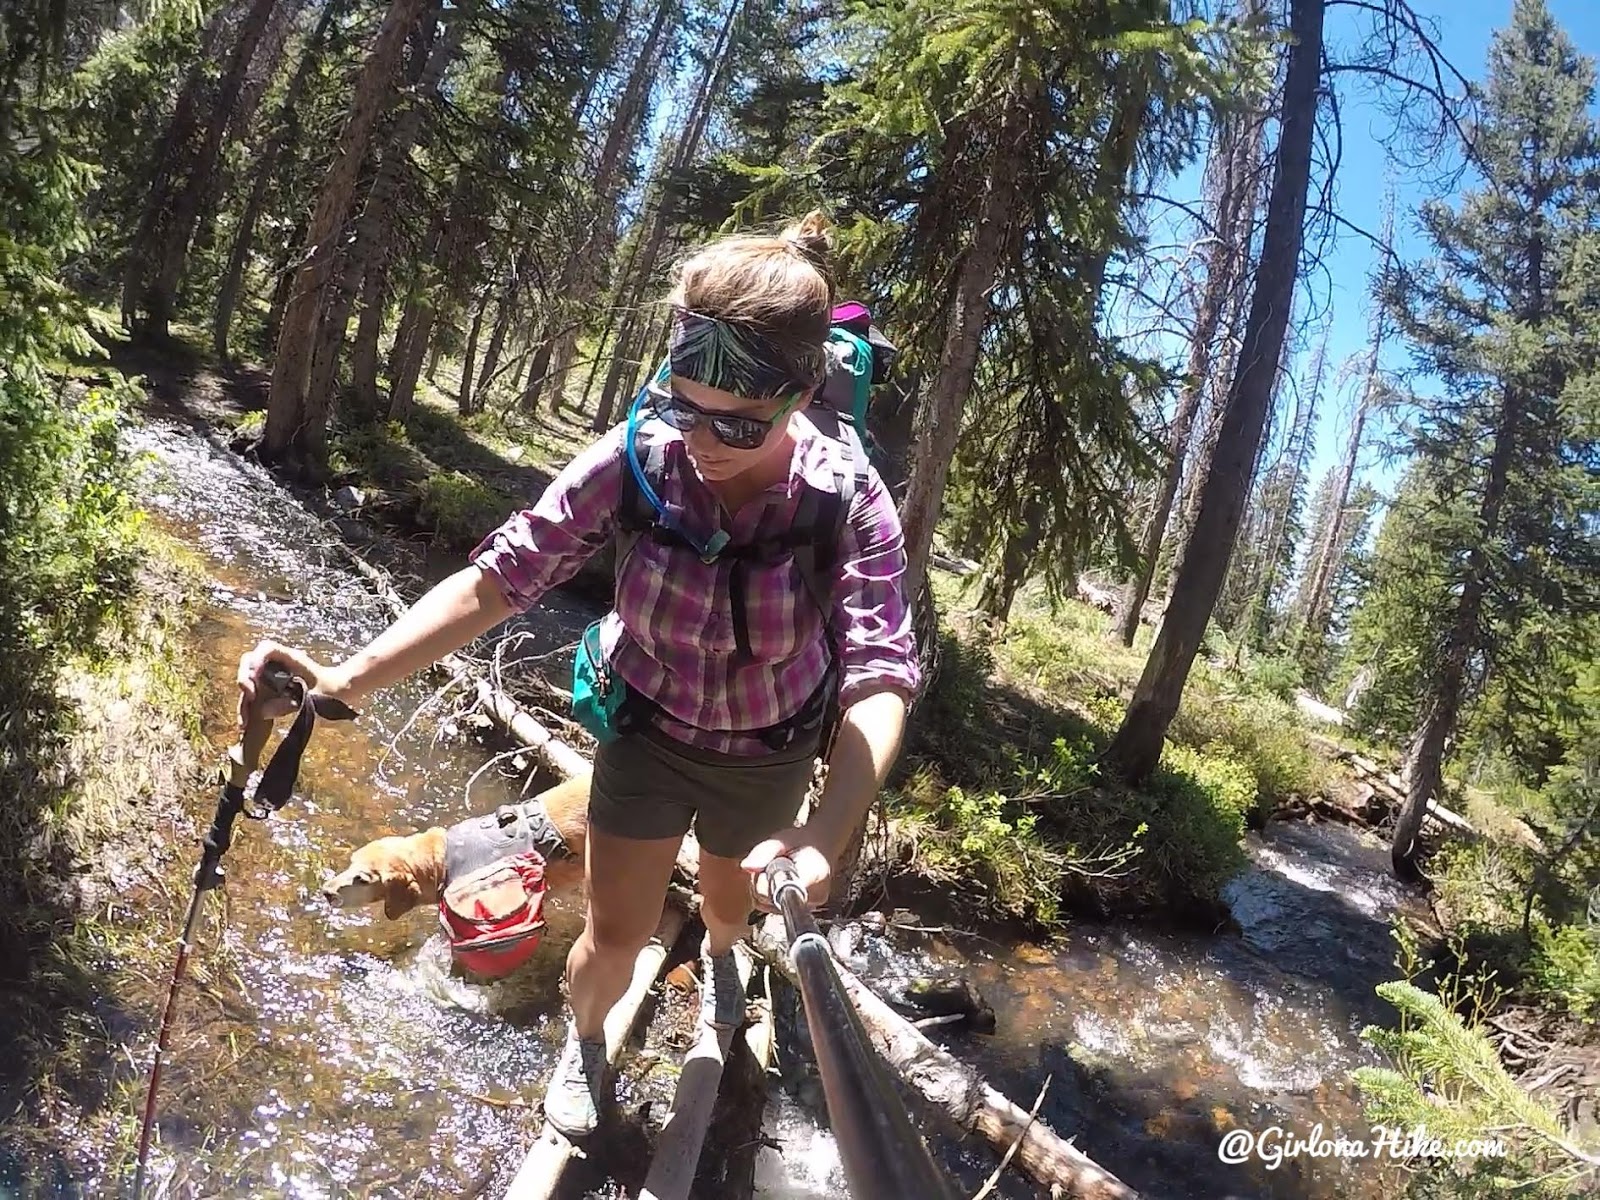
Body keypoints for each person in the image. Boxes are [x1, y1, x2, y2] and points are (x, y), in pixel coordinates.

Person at [236, 210, 920, 1138]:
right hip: (644, 738)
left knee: (728, 907)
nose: (704, 441)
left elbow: (879, 675)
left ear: (800, 397)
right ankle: (585, 1045)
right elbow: (501, 579)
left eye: (739, 424)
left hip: (770, 754)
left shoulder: (847, 497)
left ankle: (723, 959)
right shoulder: (637, 457)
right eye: (684, 406)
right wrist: (345, 680)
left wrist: (827, 833)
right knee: (613, 934)